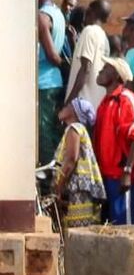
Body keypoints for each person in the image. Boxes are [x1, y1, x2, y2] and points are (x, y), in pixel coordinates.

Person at [93, 57, 134, 225]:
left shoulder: (125, 98)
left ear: (116, 75)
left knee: (124, 226)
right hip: (105, 175)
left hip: (120, 175)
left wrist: (128, 171)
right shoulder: (105, 102)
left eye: (106, 67)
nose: (101, 70)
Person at [52, 98, 106, 228]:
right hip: (81, 188)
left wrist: (58, 188)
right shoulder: (78, 129)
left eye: (69, 105)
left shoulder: (74, 128)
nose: (64, 107)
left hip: (78, 189)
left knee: (77, 231)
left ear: (75, 111)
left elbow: (71, 159)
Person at [38, 0, 67, 165]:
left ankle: (49, 178)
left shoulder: (42, 16)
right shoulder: (58, 12)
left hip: (44, 81)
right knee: (52, 130)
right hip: (54, 80)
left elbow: (52, 54)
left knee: (44, 131)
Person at [65, 0, 112, 109]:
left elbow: (86, 68)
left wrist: (69, 101)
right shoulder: (104, 37)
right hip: (96, 102)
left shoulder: (89, 31)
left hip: (81, 103)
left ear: (90, 12)